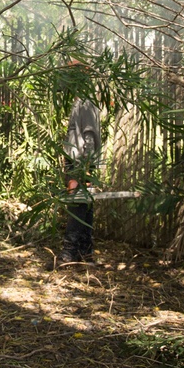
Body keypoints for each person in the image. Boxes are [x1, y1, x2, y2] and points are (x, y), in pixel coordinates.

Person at [58, 97, 102, 266]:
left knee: (77, 205)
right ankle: (85, 252)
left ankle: (69, 253)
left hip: (79, 163)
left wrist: (85, 165)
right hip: (77, 161)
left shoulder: (86, 101)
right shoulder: (80, 100)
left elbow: (89, 135)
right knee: (84, 205)